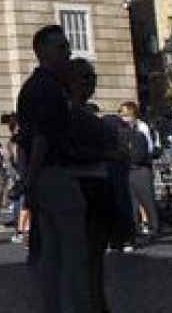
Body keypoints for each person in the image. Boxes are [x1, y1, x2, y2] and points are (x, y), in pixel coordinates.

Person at [17, 24, 89, 313]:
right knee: (72, 252)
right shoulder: (48, 89)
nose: (68, 52)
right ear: (42, 51)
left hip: (43, 177)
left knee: (52, 252)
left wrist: (29, 179)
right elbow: (41, 138)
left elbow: (27, 139)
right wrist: (31, 178)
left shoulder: (33, 88)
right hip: (55, 174)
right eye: (61, 47)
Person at [63, 59, 120, 313]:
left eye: (92, 76)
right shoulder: (68, 116)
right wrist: (106, 154)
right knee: (85, 261)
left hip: (97, 190)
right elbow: (67, 152)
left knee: (95, 261)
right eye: (84, 77)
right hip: (80, 191)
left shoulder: (86, 114)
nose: (91, 81)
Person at [117, 102, 159, 244]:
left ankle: (154, 229)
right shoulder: (122, 130)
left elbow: (148, 149)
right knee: (132, 202)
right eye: (121, 114)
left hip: (141, 168)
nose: (122, 117)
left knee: (147, 201)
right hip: (129, 169)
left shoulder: (142, 128)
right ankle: (134, 230)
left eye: (125, 114)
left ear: (132, 114)